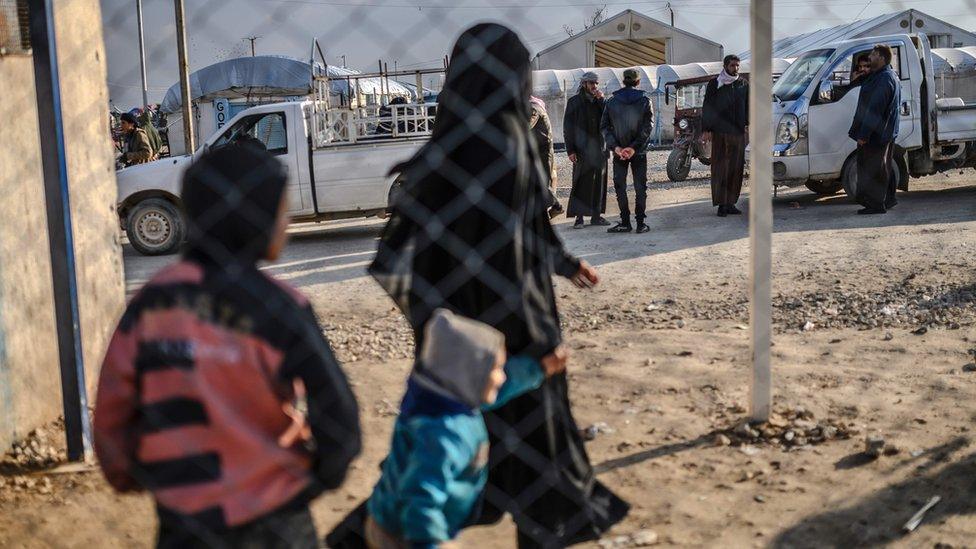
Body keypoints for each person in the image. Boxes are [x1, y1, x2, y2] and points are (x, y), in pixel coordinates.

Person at [358, 23, 629, 548]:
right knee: (542, 476)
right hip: (517, 344)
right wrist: (543, 341)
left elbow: (396, 259)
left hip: (458, 354)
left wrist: (436, 322)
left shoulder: (445, 145)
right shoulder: (512, 140)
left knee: (438, 466)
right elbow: (521, 245)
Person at [94, 143, 362, 548]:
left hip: (185, 520)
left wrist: (128, 474)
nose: (286, 224)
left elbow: (113, 407)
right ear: (256, 221)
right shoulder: (280, 307)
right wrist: (320, 477)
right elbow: (337, 412)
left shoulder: (150, 304)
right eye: (281, 212)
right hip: (274, 518)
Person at [364, 309, 567, 548]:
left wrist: (537, 369)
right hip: (407, 535)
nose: (501, 377)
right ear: (471, 375)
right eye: (496, 369)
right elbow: (420, 498)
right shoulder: (443, 433)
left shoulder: (440, 396)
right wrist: (431, 543)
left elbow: (497, 390)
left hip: (396, 519)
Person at [849, 43, 901, 215]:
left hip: (876, 134)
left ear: (882, 57)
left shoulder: (885, 79)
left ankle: (875, 205)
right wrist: (860, 76)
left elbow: (875, 109)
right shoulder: (881, 75)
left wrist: (864, 135)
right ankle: (889, 199)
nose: (869, 57)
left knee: (872, 169)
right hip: (883, 132)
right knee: (884, 167)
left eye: (873, 54)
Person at [600, 68, 654, 234]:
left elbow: (604, 127)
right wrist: (633, 147)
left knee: (620, 186)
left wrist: (616, 148)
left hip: (619, 152)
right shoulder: (645, 100)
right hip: (638, 152)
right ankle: (640, 224)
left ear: (623, 81)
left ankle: (625, 222)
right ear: (638, 82)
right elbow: (647, 126)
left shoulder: (611, 102)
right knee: (640, 187)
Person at [702, 54, 749, 217]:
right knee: (721, 168)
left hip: (737, 132)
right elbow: (707, 106)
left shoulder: (743, 84)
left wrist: (748, 124)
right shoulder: (715, 84)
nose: (735, 69)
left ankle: (731, 203)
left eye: (737, 65)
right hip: (720, 132)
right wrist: (706, 129)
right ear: (725, 66)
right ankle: (721, 204)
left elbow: (748, 106)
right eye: (732, 66)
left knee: (736, 168)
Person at [564, 71, 611, 229]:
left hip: (599, 149)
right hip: (581, 150)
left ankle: (596, 216)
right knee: (581, 182)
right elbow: (568, 128)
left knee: (599, 183)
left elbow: (609, 118)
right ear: (584, 84)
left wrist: (602, 101)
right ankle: (579, 218)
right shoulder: (574, 102)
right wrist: (570, 150)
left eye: (596, 83)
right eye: (591, 83)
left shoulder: (601, 102)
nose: (594, 86)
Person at [529, 96, 563, 217]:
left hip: (542, 152)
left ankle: (556, 205)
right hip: (537, 150)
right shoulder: (534, 106)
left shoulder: (534, 108)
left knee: (541, 181)